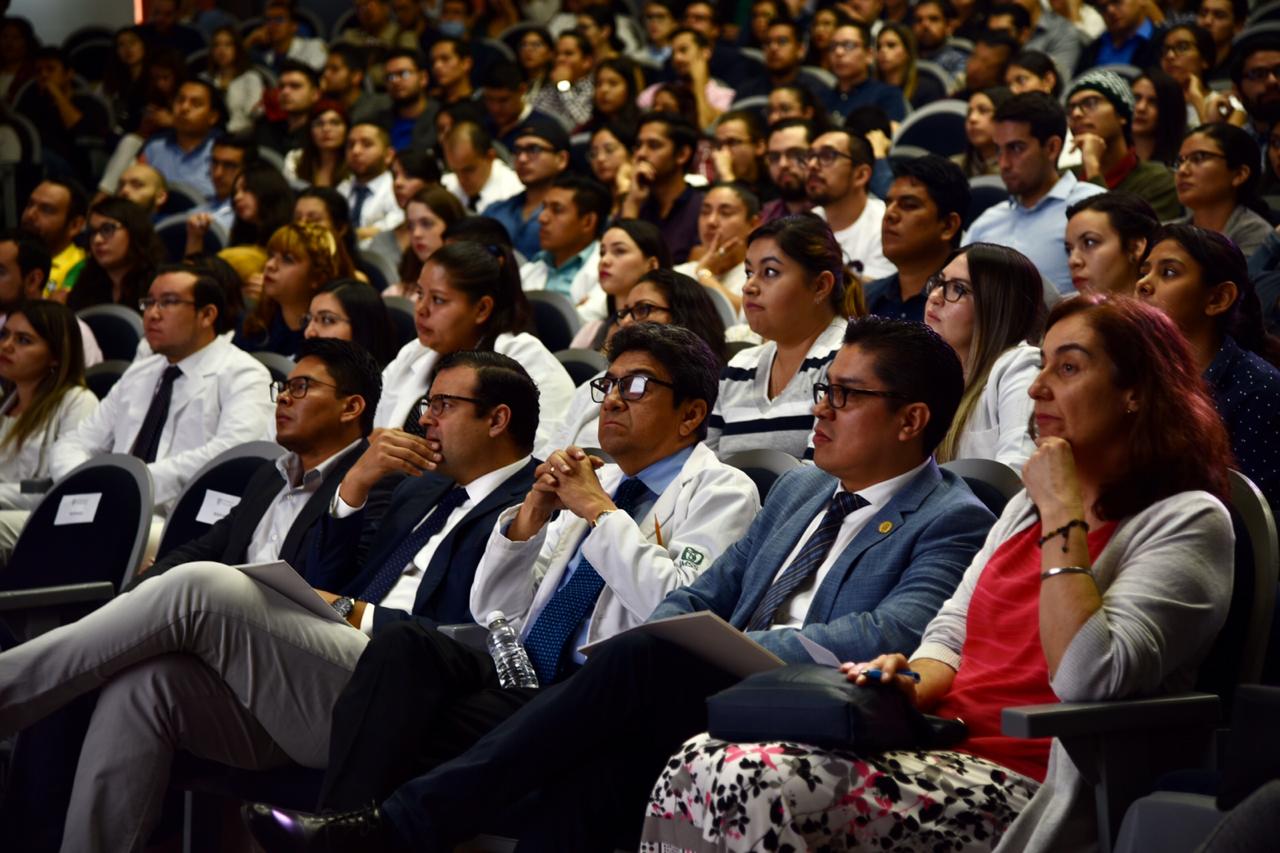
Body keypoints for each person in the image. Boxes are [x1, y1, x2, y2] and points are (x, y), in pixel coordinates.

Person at [245, 315, 1001, 851]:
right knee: (412, 653)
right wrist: (534, 524)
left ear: (911, 421)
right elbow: (689, 598)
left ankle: (390, 829)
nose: (822, 408)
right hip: (562, 672)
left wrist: (716, 642)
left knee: (633, 663)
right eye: (825, 389)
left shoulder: (946, 515)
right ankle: (355, 826)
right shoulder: (800, 489)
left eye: (845, 395)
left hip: (775, 695)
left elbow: (890, 633)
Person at [639, 296, 1235, 852]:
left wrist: (1061, 512)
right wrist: (903, 681)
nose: (1038, 386)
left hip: (1030, 777)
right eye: (1043, 365)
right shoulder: (1029, 506)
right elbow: (947, 639)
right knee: (701, 755)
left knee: (753, 779)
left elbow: (1088, 678)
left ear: (1136, 392)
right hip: (937, 741)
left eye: (1069, 368)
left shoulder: (1186, 520)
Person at [279, 321, 761, 820]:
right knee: (405, 650)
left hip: (597, 691)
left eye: (636, 386)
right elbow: (495, 611)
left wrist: (600, 514)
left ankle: (348, 831)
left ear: (691, 414)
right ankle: (344, 827)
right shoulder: (602, 479)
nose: (612, 400)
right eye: (609, 384)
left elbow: (673, 612)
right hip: (521, 675)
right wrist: (528, 522)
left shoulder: (722, 491)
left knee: (390, 729)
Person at [0, 339, 412, 853]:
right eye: (282, 386)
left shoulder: (382, 485)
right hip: (218, 656)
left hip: (297, 673)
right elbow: (203, 546)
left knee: (202, 585)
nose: (283, 398)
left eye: (302, 387)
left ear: (353, 407)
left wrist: (352, 489)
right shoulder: (270, 474)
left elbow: (334, 588)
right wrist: (137, 601)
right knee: (140, 683)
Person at [43, 266, 274, 527]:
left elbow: (232, 454)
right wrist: (86, 483)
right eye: (149, 302)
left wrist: (131, 483)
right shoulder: (141, 373)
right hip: (107, 501)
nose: (152, 314)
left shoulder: (245, 374)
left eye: (169, 302)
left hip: (183, 519)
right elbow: (76, 441)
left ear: (207, 314)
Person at [375, 240, 574, 458]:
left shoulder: (529, 362)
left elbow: (537, 456)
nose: (421, 309)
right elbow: (375, 433)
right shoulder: (414, 352)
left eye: (438, 300)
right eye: (420, 294)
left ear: (482, 308)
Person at [1137, 223, 1280, 509]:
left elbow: (1254, 518)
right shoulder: (1128, 373)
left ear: (1217, 298)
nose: (1143, 284)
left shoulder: (1259, 388)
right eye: (1144, 272)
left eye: (1168, 272)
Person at [707, 215, 848, 460]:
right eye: (748, 272)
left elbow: (821, 480)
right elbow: (702, 474)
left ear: (820, 286)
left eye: (770, 272)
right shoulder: (738, 368)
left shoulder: (848, 361)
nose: (748, 286)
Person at [559, 268, 726, 445]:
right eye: (624, 312)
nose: (625, 322)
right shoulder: (602, 382)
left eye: (643, 309)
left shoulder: (712, 389)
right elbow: (553, 448)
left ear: (683, 316)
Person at [966, 92, 1105, 294]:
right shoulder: (985, 223)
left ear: (1051, 148)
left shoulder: (1094, 206)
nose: (1003, 163)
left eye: (1015, 148)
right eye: (999, 150)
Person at [926, 243, 1044, 466]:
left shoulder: (1020, 365)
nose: (935, 297)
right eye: (939, 283)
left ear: (997, 306)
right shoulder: (922, 375)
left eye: (957, 289)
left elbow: (1016, 472)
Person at [0, 302, 97, 510]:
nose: (6, 345)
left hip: (43, 513)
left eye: (23, 340)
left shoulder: (78, 401)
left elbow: (56, 488)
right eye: (4, 335)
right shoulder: (5, 401)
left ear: (55, 356)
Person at [1065, 70, 1180, 221]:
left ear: (1122, 115)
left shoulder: (1157, 180)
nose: (1077, 114)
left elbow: (1115, 235)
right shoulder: (1066, 177)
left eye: (1091, 103)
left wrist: (1092, 167)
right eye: (1071, 108)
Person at [866, 154, 969, 322]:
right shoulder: (866, 297)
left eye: (909, 205)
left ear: (948, 225)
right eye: (888, 204)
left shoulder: (966, 311)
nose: (889, 214)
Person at [235, 221, 356, 357]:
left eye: (287, 259)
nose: (270, 265)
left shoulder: (327, 337)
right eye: (271, 255)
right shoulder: (253, 325)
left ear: (318, 277)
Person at [1173, 123, 1273, 258]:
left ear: (1239, 174)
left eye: (1198, 158)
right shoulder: (1165, 232)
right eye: (1180, 162)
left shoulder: (1258, 236)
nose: (1182, 170)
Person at [805, 129, 894, 281]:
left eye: (827, 156)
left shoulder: (888, 225)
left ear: (861, 175)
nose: (812, 165)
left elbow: (873, 297)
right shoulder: (804, 225)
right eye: (810, 156)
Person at [620, 112, 706, 264]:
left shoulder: (703, 208)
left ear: (682, 154)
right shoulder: (635, 202)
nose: (641, 154)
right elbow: (618, 264)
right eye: (638, 145)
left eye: (653, 145)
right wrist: (632, 203)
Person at [484, 119, 571, 261]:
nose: (522, 159)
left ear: (561, 159)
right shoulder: (495, 211)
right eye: (518, 151)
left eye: (534, 149)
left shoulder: (572, 214)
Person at [675, 182, 762, 318]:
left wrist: (704, 273)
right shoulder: (679, 274)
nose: (711, 221)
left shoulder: (760, 278)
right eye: (705, 212)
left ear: (753, 224)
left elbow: (751, 317)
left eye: (725, 213)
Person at [519, 174, 610, 302]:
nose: (542, 218)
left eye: (557, 210)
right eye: (544, 207)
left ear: (587, 222)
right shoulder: (531, 268)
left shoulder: (607, 272)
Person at [67, 198, 163, 313]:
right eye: (92, 232)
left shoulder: (158, 283)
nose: (97, 240)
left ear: (134, 230)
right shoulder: (87, 283)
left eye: (107, 229)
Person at [139, 79, 226, 202]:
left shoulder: (224, 152)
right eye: (180, 100)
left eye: (195, 104)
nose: (184, 108)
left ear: (213, 117)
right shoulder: (154, 147)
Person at [1064, 191, 1160, 296]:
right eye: (1069, 249)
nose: (1072, 261)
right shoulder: (1064, 310)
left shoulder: (1172, 311)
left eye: (1089, 242)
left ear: (1135, 247)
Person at [637, 28, 733, 130]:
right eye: (673, 52)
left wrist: (699, 84)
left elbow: (708, 129)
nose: (677, 58)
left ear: (705, 52)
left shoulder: (724, 95)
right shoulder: (656, 91)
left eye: (683, 50)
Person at [390, 185, 466, 300]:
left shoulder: (470, 293)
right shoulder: (395, 293)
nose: (416, 234)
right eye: (410, 226)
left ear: (452, 226)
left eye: (426, 224)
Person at [335, 123, 402, 249]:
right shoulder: (342, 188)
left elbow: (395, 226)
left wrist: (351, 234)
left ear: (388, 155)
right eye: (350, 145)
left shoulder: (396, 187)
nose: (356, 151)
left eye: (366, 144)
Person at [824, 21, 908, 123]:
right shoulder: (821, 97)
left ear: (869, 55)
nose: (839, 52)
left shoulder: (887, 95)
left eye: (849, 45)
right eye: (833, 46)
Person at [304, 278, 397, 368]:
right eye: (309, 319)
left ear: (363, 329)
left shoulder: (387, 381)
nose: (309, 333)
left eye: (327, 320)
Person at [19, 179, 87, 296]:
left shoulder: (83, 269)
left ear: (75, 225)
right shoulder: (8, 255)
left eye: (46, 210)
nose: (30, 214)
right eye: (30, 204)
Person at [440, 121, 523, 214]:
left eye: (468, 170)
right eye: (455, 171)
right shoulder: (446, 187)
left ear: (490, 157)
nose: (461, 179)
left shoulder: (515, 192)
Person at [203, 25, 263, 134]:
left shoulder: (251, 78)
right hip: (208, 135)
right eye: (217, 45)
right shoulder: (204, 80)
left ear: (237, 48)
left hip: (243, 135)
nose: (221, 50)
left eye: (228, 45)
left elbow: (255, 113)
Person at [378, 48, 440, 154]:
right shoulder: (378, 122)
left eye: (404, 74)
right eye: (390, 77)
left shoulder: (441, 118)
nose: (396, 81)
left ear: (423, 78)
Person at [253, 60, 321, 156]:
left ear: (315, 94)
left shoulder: (320, 134)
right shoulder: (265, 129)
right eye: (281, 86)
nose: (285, 92)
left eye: (295, 86)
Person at [532, 31, 596, 130]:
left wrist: (563, 86)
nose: (560, 59)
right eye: (557, 54)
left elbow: (583, 124)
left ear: (586, 61)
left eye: (568, 54)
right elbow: (534, 115)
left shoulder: (595, 88)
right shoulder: (550, 85)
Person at [244, 0, 327, 73]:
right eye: (268, 20)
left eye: (279, 19)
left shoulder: (313, 47)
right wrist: (250, 41)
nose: (272, 25)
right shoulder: (264, 57)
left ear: (293, 26)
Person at [284, 100, 350, 189]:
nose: (326, 129)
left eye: (335, 123)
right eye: (319, 124)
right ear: (310, 130)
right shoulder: (295, 160)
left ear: (347, 129)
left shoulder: (355, 162)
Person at [320, 43, 389, 128]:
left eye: (334, 69)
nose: (326, 74)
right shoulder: (323, 106)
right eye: (325, 69)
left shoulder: (380, 106)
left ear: (356, 76)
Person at [1159, 23, 1216, 126]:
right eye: (1166, 50)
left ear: (1205, 60)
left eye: (1182, 47)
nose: (1170, 56)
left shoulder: (1221, 104)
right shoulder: (1152, 104)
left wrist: (1197, 100)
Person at [1132, 69, 1188, 166]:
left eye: (1153, 102)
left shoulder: (1181, 164)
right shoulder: (1109, 156)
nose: (1141, 108)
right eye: (1136, 98)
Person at [955, 86, 1013, 178]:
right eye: (969, 112)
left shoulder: (1020, 170)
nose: (972, 118)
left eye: (983, 110)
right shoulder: (954, 168)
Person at [588, 121, 634, 217]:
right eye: (593, 154)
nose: (600, 159)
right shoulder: (593, 202)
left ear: (631, 152)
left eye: (609, 150)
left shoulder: (644, 194)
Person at [913, 0, 968, 76]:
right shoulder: (904, 59)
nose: (925, 25)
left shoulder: (957, 62)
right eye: (919, 20)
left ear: (949, 26)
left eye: (933, 19)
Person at [1197, 0, 1246, 83]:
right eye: (1203, 14)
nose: (1207, 21)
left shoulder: (1242, 68)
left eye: (1219, 16)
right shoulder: (1187, 62)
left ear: (1238, 26)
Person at [429, 37, 474, 106]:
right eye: (433, 62)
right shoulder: (429, 103)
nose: (437, 66)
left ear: (466, 63)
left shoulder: (483, 103)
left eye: (445, 59)